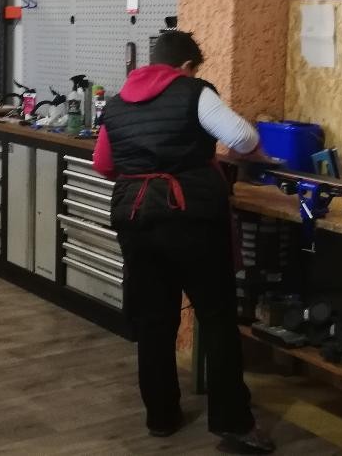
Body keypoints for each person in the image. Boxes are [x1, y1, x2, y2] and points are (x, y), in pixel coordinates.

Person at [92, 30, 275, 454]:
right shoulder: (194, 91)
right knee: (216, 319)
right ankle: (233, 423)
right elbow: (244, 138)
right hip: (191, 219)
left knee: (154, 321)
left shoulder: (118, 103)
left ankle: (161, 416)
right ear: (187, 67)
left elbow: (103, 163)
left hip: (136, 218)